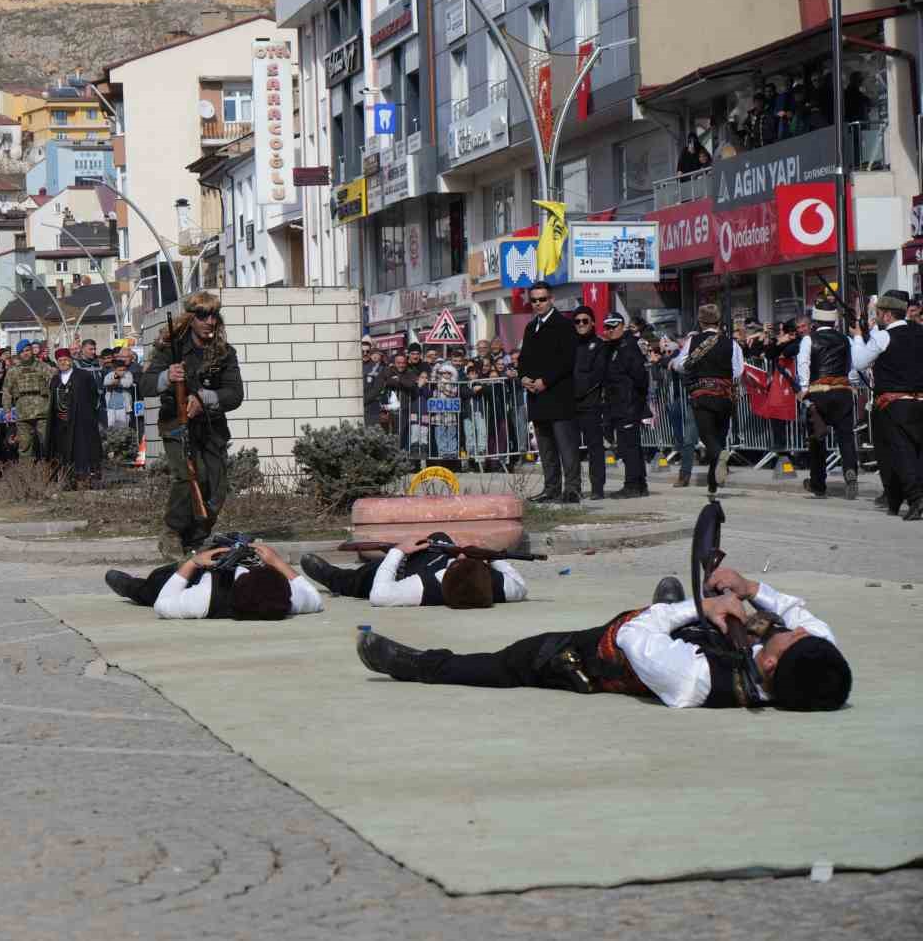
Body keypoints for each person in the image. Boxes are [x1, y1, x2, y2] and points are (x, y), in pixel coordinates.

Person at [356, 564, 851, 712]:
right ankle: (671, 609)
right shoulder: (817, 661)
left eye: (789, 641)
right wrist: (748, 589)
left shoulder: (695, 680)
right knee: (670, 617)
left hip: (596, 658)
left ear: (769, 666)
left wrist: (701, 607)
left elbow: (634, 635)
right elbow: (805, 621)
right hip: (684, 638)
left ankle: (421, 666)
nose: (796, 631)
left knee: (511, 662)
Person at [142, 291, 245, 560]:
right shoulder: (170, 348)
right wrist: (166, 376)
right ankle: (172, 533)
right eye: (202, 315)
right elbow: (145, 384)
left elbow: (235, 394)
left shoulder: (224, 353)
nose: (209, 321)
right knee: (189, 477)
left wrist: (204, 399)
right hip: (176, 424)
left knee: (216, 487)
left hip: (211, 427)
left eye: (213, 315)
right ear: (191, 318)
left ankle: (197, 538)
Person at [103, 541, 323, 620]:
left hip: (198, 580)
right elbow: (314, 597)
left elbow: (162, 604)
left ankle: (130, 587)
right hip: (217, 581)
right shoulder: (286, 601)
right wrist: (276, 560)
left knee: (154, 587)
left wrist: (193, 563)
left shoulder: (203, 598)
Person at [300, 534, 527, 607]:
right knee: (440, 536)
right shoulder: (503, 587)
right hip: (436, 551)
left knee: (360, 578)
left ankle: (330, 576)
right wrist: (489, 554)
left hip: (404, 570)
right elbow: (520, 585)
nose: (464, 555)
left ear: (447, 572)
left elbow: (379, 595)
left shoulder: (423, 588)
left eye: (463, 558)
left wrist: (398, 552)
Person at [797, 298, 871, 501]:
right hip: (842, 391)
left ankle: (818, 484)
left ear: (815, 320)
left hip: (818, 392)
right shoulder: (845, 340)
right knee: (846, 437)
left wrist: (804, 389)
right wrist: (850, 384)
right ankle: (850, 471)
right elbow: (853, 367)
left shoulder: (809, 340)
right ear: (834, 320)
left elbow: (803, 364)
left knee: (817, 439)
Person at [669, 303, 743, 495]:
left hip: (702, 395)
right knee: (718, 438)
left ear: (700, 322)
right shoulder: (732, 343)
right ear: (718, 321)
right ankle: (712, 483)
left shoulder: (693, 342)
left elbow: (681, 365)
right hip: (725, 396)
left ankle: (719, 456)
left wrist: (675, 363)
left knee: (707, 437)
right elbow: (738, 370)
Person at [517, 282, 580, 503]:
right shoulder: (530, 327)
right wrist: (523, 377)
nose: (538, 304)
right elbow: (523, 358)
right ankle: (551, 488)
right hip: (537, 398)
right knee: (545, 448)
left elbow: (567, 360)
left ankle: (572, 489)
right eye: (534, 300)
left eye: (542, 299)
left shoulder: (564, 325)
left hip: (558, 396)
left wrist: (546, 380)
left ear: (551, 299)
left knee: (566, 447)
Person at [865, 290, 923, 520]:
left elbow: (859, 362)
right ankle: (900, 499)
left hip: (895, 404)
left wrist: (859, 337)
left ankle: (915, 499)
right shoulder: (919, 332)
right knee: (917, 453)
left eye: (879, 313)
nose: (877, 317)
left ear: (887, 315)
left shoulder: (883, 336)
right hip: (919, 400)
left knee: (901, 453)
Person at [600, 313, 650, 499]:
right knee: (630, 445)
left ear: (622, 326)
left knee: (629, 446)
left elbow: (641, 377)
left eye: (614, 326)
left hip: (628, 404)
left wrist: (635, 401)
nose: (610, 330)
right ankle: (640, 484)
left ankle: (632, 485)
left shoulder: (628, 346)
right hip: (618, 404)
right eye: (607, 327)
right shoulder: (614, 347)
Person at [568, 305, 609, 500]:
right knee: (570, 449)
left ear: (592, 322)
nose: (581, 324)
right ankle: (573, 488)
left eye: (585, 320)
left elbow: (598, 374)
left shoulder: (599, 345)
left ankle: (597, 488)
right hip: (570, 404)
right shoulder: (569, 345)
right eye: (577, 321)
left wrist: (580, 391)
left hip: (590, 404)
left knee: (595, 448)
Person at [45, 347, 103, 483]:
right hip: (61, 421)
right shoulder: (55, 379)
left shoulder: (83, 376)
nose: (63, 362)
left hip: (80, 421)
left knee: (81, 449)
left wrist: (88, 414)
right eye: (60, 360)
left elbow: (94, 396)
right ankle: (67, 478)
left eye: (66, 359)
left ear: (71, 360)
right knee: (63, 450)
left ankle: (84, 476)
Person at [4, 339, 53, 461]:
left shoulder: (43, 367)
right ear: (18, 354)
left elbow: (53, 386)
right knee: (24, 446)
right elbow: (6, 391)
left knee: (47, 443)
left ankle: (50, 470)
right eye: (22, 351)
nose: (25, 353)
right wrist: (7, 410)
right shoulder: (13, 371)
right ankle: (27, 472)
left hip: (43, 412)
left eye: (27, 350)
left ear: (32, 351)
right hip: (23, 413)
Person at [102, 355, 136, 430]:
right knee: (111, 428)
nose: (122, 372)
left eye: (124, 370)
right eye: (120, 370)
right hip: (111, 407)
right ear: (114, 369)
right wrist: (116, 377)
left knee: (124, 428)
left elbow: (127, 384)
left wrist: (117, 381)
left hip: (124, 407)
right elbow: (106, 382)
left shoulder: (128, 374)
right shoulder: (110, 375)